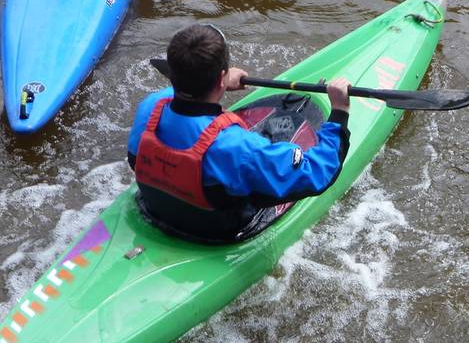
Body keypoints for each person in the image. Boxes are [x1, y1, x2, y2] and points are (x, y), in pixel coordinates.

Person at [127, 24, 352, 243]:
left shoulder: (150, 107)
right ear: (219, 79)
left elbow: (182, 95)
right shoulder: (236, 147)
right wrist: (340, 113)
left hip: (156, 209)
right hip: (212, 230)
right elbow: (318, 173)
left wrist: (220, 82)